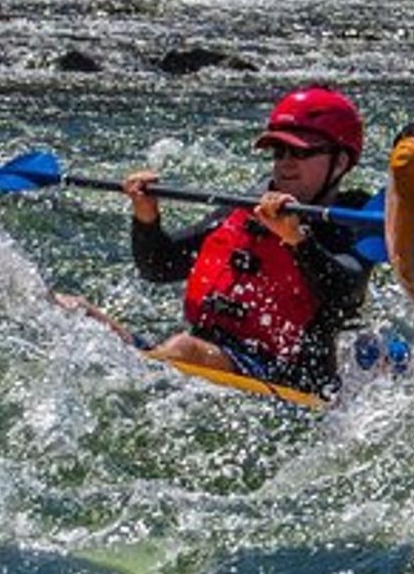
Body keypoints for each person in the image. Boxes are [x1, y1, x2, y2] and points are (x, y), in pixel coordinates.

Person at [121, 85, 375, 395]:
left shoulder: (352, 221)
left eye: (301, 152)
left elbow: (348, 293)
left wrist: (297, 240)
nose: (285, 163)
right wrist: (146, 217)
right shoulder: (249, 206)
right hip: (209, 356)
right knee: (75, 308)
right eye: (279, 151)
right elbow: (159, 267)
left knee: (182, 348)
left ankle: (141, 378)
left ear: (340, 162)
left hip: (292, 380)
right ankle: (143, 372)